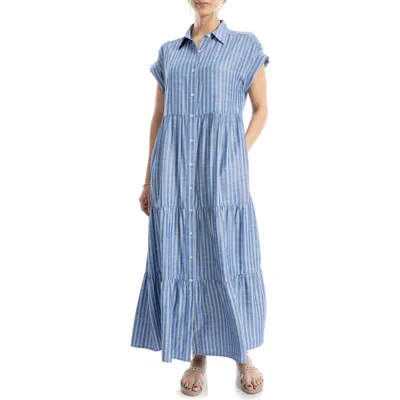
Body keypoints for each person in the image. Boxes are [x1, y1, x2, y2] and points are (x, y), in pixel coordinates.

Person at [131, 0, 269, 395]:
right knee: (184, 256)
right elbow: (158, 119)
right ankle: (197, 356)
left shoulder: (245, 45)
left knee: (228, 255)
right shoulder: (168, 53)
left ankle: (242, 354)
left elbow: (261, 109)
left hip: (222, 174)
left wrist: (235, 154)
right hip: (173, 174)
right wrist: (148, 181)